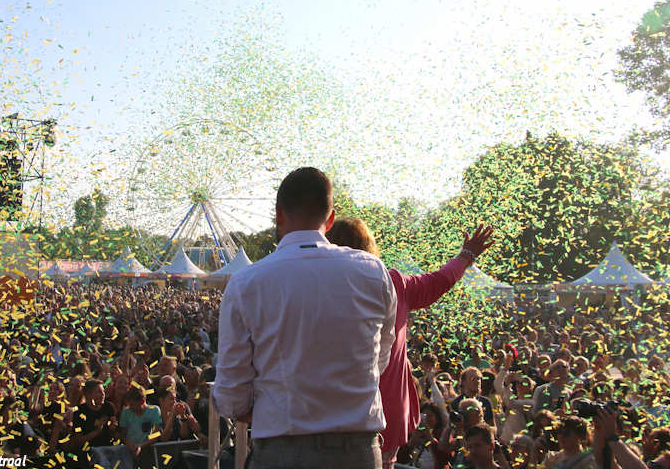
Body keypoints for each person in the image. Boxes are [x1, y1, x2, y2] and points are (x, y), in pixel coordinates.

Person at [212, 167, 398, 469]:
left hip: (283, 450)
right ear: (331, 218)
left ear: (278, 214)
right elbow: (380, 358)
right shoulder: (373, 272)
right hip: (359, 451)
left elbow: (231, 394)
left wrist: (273, 409)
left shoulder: (247, 283)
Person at [326, 217, 495, 468]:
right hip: (386, 412)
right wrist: (466, 255)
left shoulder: (318, 289)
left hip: (331, 412)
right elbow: (439, 280)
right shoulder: (393, 284)